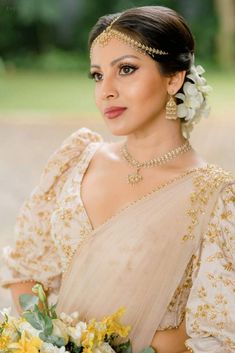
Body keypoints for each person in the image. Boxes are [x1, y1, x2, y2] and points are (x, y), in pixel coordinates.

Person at [1, 5, 234, 353]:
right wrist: (46, 342)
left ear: (174, 78)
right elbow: (26, 271)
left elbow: (213, 335)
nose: (105, 90)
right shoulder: (78, 158)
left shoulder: (215, 198)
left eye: (126, 69)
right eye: (97, 75)